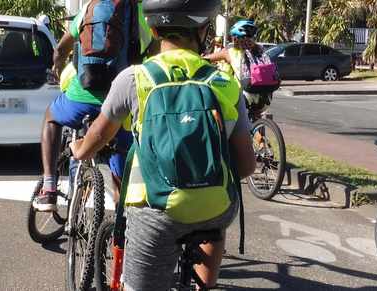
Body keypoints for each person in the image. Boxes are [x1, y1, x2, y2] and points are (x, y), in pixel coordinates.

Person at [71, 0, 255, 289]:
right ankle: (205, 285)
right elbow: (245, 166)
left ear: (154, 30)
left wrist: (80, 150)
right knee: (215, 210)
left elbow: (99, 135)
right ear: (204, 30)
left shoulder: (133, 79)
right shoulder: (225, 84)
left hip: (156, 213)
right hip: (214, 208)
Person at [34, 2, 150, 212]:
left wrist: (57, 67)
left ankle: (49, 188)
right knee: (121, 164)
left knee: (51, 116)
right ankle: (120, 228)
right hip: (121, 100)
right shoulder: (139, 12)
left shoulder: (91, 7)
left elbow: (61, 49)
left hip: (82, 96)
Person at [205, 20, 270, 120]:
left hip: (245, 95)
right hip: (265, 96)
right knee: (254, 122)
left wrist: (199, 58)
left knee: (220, 110)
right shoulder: (260, 49)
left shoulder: (229, 51)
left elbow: (208, 59)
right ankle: (258, 131)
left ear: (235, 37)